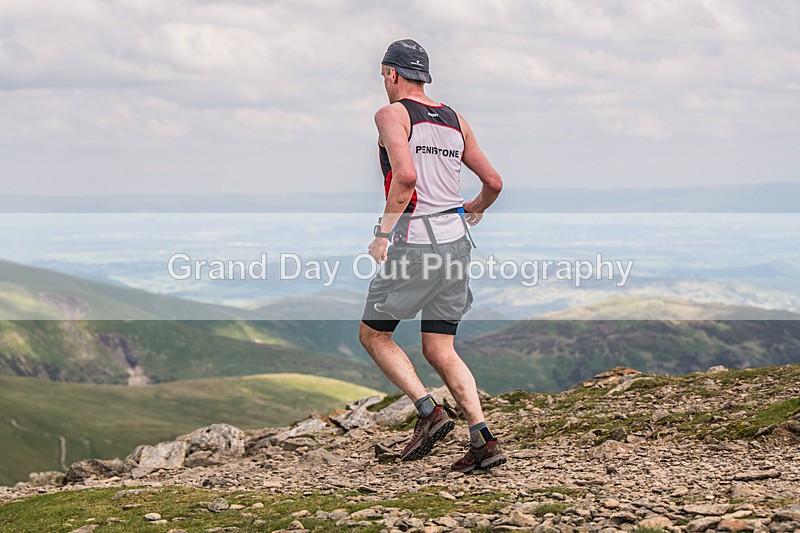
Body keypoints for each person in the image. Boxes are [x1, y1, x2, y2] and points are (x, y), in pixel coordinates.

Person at [358, 39, 505, 473]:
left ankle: (429, 413)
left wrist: (382, 234)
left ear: (391, 73)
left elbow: (404, 176)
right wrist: (473, 208)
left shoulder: (391, 114)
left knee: (374, 335)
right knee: (440, 348)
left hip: (416, 241)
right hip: (457, 244)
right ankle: (482, 439)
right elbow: (494, 182)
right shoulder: (455, 120)